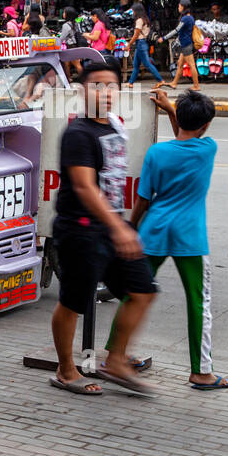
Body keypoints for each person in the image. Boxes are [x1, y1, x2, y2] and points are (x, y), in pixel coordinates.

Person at [48, 56, 157, 395]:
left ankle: (116, 360)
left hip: (109, 228)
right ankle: (66, 370)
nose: (106, 91)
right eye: (98, 85)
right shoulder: (78, 133)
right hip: (80, 228)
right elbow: (84, 186)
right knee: (73, 302)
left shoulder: (112, 125)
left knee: (142, 291)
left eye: (112, 85)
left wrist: (119, 226)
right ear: (83, 90)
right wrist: (120, 227)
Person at [111, 90, 228, 389]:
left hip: (154, 230)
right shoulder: (207, 149)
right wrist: (170, 109)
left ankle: (115, 354)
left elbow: (143, 199)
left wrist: (131, 229)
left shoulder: (157, 154)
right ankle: (201, 372)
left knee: (133, 294)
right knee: (198, 302)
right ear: (206, 126)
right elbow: (188, 133)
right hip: (190, 236)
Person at [160, 0, 201, 93]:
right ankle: (174, 83)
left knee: (191, 65)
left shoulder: (185, 18)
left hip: (186, 44)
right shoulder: (190, 17)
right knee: (180, 65)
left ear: (183, 7)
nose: (178, 7)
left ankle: (196, 86)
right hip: (186, 43)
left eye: (179, 6)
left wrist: (164, 38)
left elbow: (176, 30)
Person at [126, 1, 164, 86]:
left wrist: (129, 44)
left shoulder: (139, 20)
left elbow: (136, 35)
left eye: (133, 10)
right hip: (142, 43)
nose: (132, 12)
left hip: (140, 43)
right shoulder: (145, 19)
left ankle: (160, 80)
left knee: (147, 64)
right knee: (136, 65)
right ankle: (130, 83)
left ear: (136, 10)